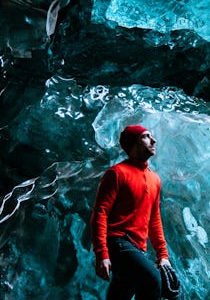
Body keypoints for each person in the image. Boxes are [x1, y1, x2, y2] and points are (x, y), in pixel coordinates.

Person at [90, 124, 172, 300]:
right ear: (134, 143)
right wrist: (101, 254)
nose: (153, 140)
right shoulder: (116, 173)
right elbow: (100, 213)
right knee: (152, 280)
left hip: (137, 248)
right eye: (146, 136)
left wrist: (163, 255)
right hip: (118, 243)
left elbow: (154, 220)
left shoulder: (154, 179)